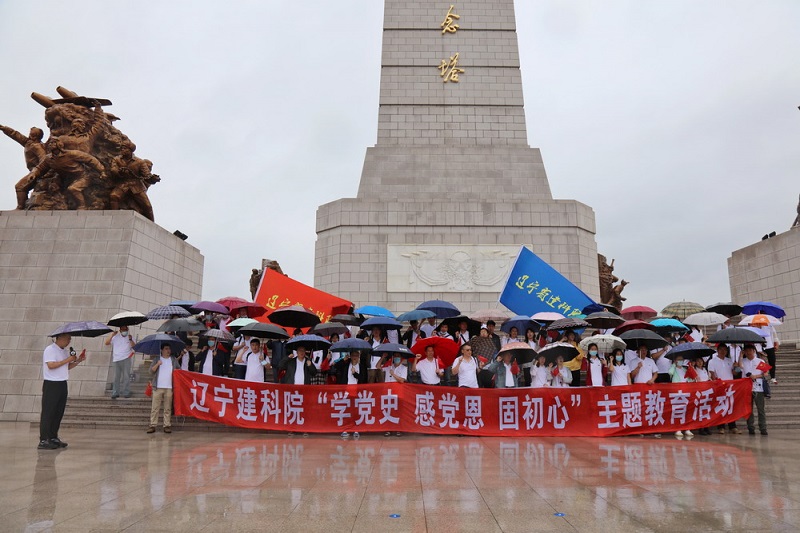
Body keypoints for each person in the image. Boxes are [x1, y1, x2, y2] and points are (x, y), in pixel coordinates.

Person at [39, 333, 85, 449]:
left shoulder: (64, 351)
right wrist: (68, 359)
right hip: (51, 383)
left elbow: (67, 367)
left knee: (58, 412)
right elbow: (51, 365)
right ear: (59, 338)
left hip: (62, 382)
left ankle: (53, 436)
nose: (69, 341)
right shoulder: (50, 349)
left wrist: (78, 360)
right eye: (67, 339)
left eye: (70, 339)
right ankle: (44, 439)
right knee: (48, 412)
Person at [707, 344, 740, 434]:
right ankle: (721, 427)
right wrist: (718, 383)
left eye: (725, 350)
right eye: (721, 349)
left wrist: (736, 367)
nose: (723, 351)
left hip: (730, 387)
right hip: (719, 386)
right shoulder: (712, 361)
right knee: (721, 406)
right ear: (717, 350)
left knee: (730, 406)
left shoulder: (729, 360)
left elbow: (734, 373)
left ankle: (732, 426)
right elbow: (712, 374)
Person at [147, 343, 179, 434]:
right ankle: (152, 425)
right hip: (158, 387)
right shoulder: (157, 359)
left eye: (169, 349)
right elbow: (150, 371)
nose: (168, 350)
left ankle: (167, 425)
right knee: (155, 407)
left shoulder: (173, 360)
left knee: (167, 408)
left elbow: (179, 371)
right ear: (161, 350)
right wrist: (157, 364)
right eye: (166, 349)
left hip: (169, 387)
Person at [741, 343, 768, 435]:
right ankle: (750, 427)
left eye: (750, 350)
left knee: (761, 409)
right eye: (747, 351)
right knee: (749, 409)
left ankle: (763, 428)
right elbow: (739, 367)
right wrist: (740, 355)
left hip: (758, 388)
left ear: (754, 351)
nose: (749, 352)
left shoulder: (760, 361)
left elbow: (766, 373)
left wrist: (756, 376)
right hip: (746, 388)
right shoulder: (743, 361)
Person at [104, 325, 135, 399]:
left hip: (126, 358)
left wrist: (130, 339)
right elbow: (106, 342)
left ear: (127, 329)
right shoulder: (115, 337)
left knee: (126, 377)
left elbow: (134, 346)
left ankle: (126, 392)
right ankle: (115, 392)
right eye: (123, 329)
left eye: (125, 329)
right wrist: (112, 335)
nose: (124, 331)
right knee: (116, 377)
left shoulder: (130, 337)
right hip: (116, 359)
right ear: (120, 330)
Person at [668, 356, 693, 438]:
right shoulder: (673, 369)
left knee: (686, 411)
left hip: (685, 391)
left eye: (682, 359)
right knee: (678, 411)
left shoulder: (685, 369)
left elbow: (690, 380)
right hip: (677, 392)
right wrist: (674, 365)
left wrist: (691, 370)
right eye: (678, 359)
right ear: (675, 360)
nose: (680, 361)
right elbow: (670, 373)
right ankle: (678, 428)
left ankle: (687, 428)